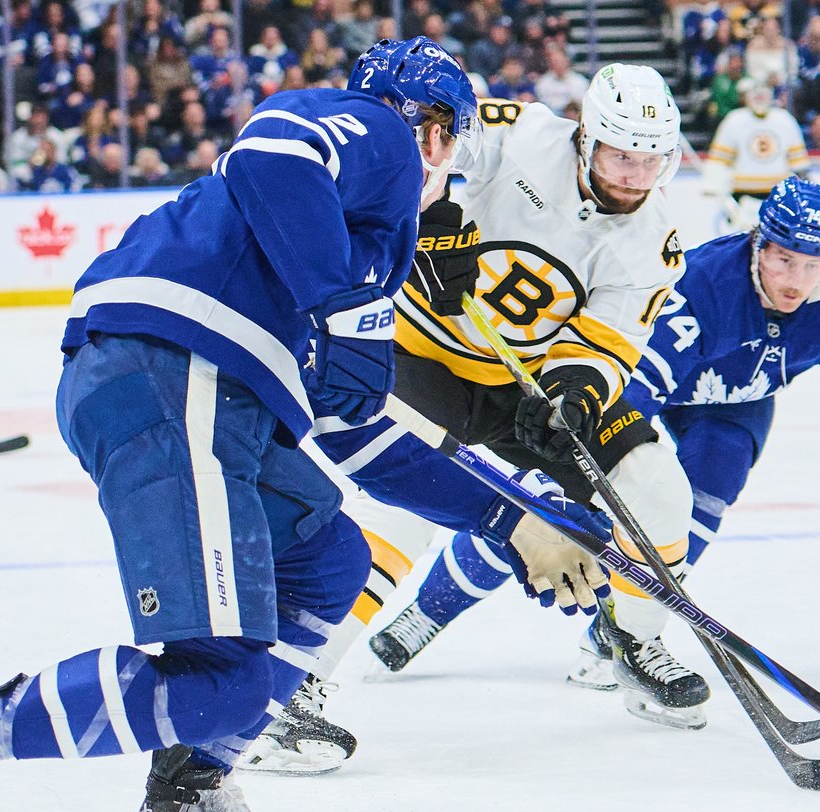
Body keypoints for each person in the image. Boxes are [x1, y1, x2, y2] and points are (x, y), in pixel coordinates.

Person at [0, 37, 610, 812]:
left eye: (445, 144)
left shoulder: (361, 250)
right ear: (417, 125)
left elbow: (359, 437)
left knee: (331, 563)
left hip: (212, 395)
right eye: (436, 136)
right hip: (179, 365)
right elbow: (274, 145)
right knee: (226, 680)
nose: (437, 161)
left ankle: (189, 794)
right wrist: (344, 299)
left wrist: (511, 516)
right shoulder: (376, 141)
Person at [243, 63, 709, 763]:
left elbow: (609, 335)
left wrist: (575, 394)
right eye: (619, 153)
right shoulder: (519, 130)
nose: (634, 174)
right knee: (401, 506)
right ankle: (290, 687)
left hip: (528, 384)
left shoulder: (659, 237)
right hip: (420, 353)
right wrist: (428, 220)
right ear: (585, 138)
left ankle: (631, 637)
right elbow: (424, 151)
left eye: (651, 158)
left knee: (657, 487)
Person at [395, 179, 820, 698]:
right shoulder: (705, 288)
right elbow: (634, 388)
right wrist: (594, 469)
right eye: (783, 259)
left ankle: (621, 632)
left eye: (813, 265)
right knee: (559, 504)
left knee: (696, 509)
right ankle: (431, 609)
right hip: (635, 389)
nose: (795, 281)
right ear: (759, 244)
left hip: (735, 405)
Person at [703, 75, 810, 229]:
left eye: (763, 93)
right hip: (742, 196)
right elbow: (720, 160)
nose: (759, 97)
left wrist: (804, 193)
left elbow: (800, 165)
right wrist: (712, 185)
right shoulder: (734, 120)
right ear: (745, 96)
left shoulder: (785, 120)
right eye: (755, 93)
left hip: (778, 196)